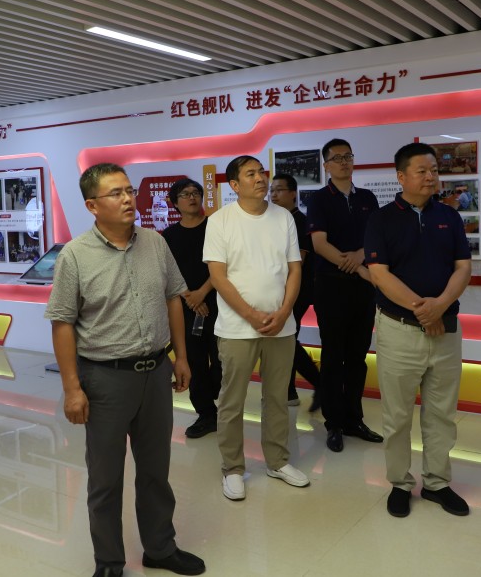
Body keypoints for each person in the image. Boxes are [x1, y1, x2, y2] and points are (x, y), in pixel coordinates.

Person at [44, 163, 205, 577]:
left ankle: (160, 548)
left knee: (155, 470)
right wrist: (72, 389)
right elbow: (62, 323)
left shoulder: (155, 243)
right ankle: (109, 563)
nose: (128, 199)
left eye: (130, 190)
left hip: (155, 373)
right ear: (92, 205)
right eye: (116, 193)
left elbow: (173, 298)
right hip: (105, 379)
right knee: (106, 478)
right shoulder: (75, 255)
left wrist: (181, 356)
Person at [364, 142, 472, 519]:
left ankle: (437, 483)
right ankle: (399, 483)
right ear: (401, 177)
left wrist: (440, 305)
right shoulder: (381, 220)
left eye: (434, 170)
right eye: (422, 171)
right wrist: (423, 311)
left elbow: (463, 267)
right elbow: (379, 275)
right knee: (397, 415)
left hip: (446, 330)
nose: (431, 177)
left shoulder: (449, 216)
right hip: (399, 330)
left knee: (441, 412)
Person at [203, 155, 309, 501]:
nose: (260, 178)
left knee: (277, 398)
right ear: (235, 185)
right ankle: (233, 468)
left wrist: (284, 311)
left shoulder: (284, 217)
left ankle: (277, 461)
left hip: (281, 325)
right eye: (250, 174)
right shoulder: (220, 221)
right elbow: (218, 276)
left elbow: (295, 269)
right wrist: (250, 314)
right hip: (236, 328)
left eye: (261, 172)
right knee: (231, 401)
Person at [306, 138, 382, 453]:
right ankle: (334, 423)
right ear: (326, 165)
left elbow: (375, 236)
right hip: (331, 285)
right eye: (336, 158)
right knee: (333, 356)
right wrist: (356, 266)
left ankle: (354, 419)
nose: (343, 162)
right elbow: (319, 244)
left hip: (362, 288)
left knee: (357, 357)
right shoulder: (319, 199)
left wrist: (361, 255)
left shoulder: (367, 198)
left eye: (348, 156)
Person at [162, 177, 222, 439]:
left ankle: (222, 405)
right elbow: (168, 273)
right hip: (185, 308)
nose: (192, 197)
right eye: (185, 194)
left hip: (218, 302)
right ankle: (206, 414)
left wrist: (202, 293)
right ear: (175, 202)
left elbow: (224, 265)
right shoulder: (169, 235)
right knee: (194, 362)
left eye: (196, 192)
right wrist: (190, 298)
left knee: (222, 361)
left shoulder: (215, 227)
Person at [269, 173, 321, 411]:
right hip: (280, 291)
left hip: (296, 291)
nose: (274, 195)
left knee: (287, 338)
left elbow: (298, 261)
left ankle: (319, 383)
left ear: (293, 193)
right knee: (285, 338)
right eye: (272, 190)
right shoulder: (276, 221)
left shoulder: (299, 221)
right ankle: (289, 390)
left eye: (279, 190)